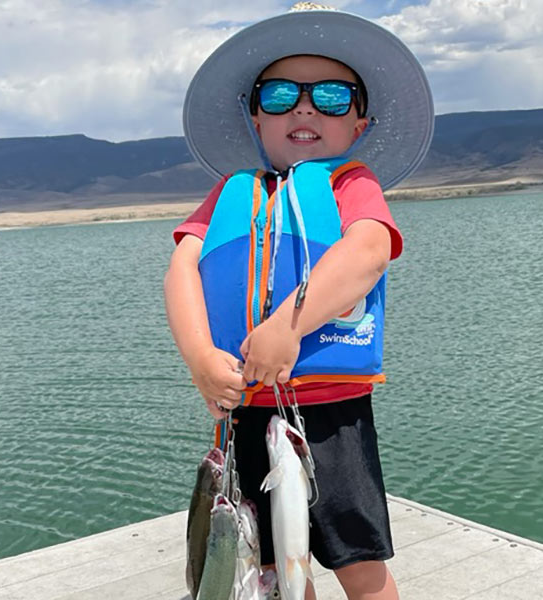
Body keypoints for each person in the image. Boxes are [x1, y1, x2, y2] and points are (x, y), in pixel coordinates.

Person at [165, 5, 434, 599]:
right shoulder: (231, 194)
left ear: (359, 123)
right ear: (255, 117)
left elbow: (367, 253)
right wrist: (201, 360)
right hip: (244, 407)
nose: (306, 108)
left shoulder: (350, 184)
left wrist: (288, 326)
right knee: (269, 568)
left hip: (331, 415)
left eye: (333, 97)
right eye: (282, 93)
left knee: (360, 567)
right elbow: (182, 267)